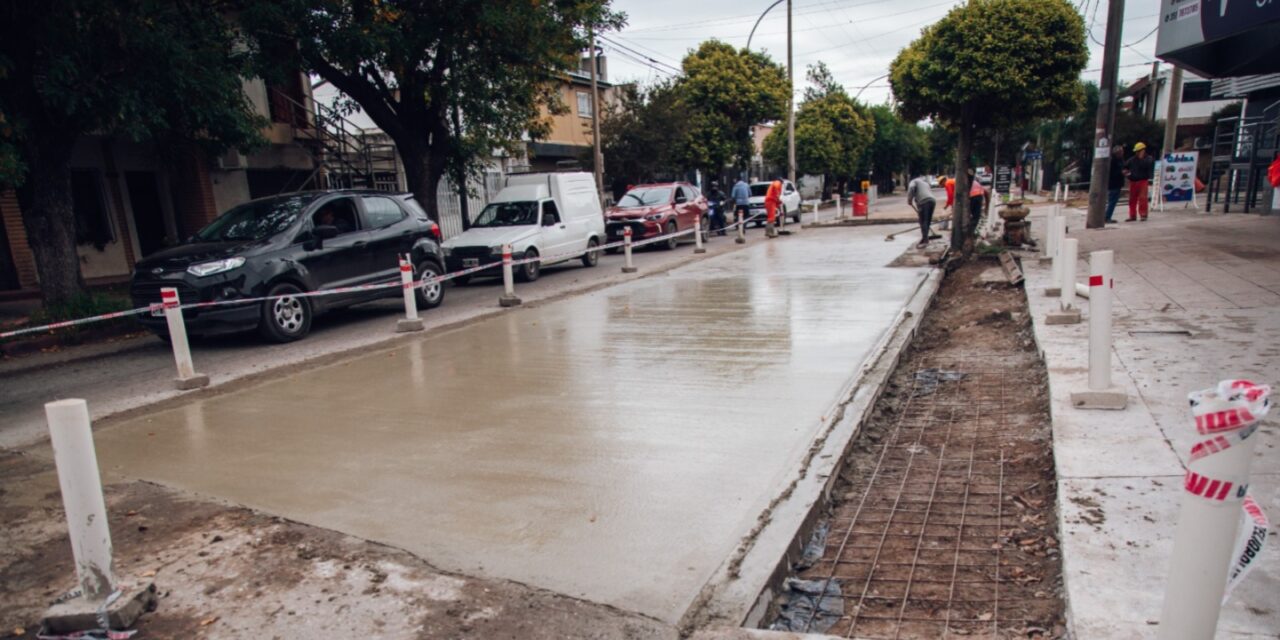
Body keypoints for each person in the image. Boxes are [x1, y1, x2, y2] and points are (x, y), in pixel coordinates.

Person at [1124, 141, 1155, 221]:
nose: (1136, 153)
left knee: (1143, 199)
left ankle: (1143, 214)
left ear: (1143, 150)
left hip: (1143, 181)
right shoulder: (1132, 160)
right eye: (1136, 152)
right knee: (1132, 200)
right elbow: (1125, 167)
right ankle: (1132, 215)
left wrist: (1141, 158)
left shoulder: (1149, 159)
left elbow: (1146, 165)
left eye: (1138, 151)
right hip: (1133, 181)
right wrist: (1127, 174)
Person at [906, 174, 937, 248]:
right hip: (932, 201)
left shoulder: (913, 181)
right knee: (927, 221)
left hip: (924, 202)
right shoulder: (925, 183)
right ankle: (924, 238)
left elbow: (911, 187)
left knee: (922, 221)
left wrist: (909, 199)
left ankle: (925, 240)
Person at [1104, 145, 1124, 224]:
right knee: (1112, 201)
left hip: (1118, 184)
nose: (1122, 153)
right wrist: (1121, 172)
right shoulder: (1113, 161)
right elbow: (1112, 173)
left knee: (1113, 201)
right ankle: (1107, 217)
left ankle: (1108, 216)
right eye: (1120, 152)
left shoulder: (1120, 160)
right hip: (1113, 184)